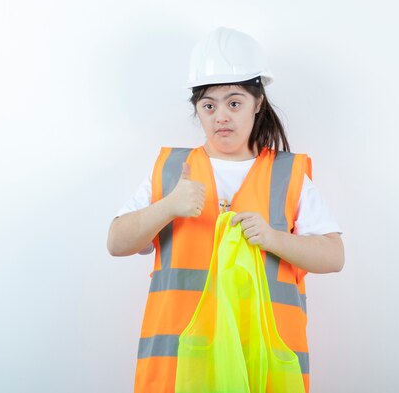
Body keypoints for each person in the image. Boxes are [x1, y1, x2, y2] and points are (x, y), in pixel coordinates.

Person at [107, 27, 344, 393]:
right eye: (209, 105)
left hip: (262, 367)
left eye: (234, 103)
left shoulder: (288, 174)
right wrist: (169, 206)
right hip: (181, 367)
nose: (221, 117)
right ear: (197, 109)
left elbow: (334, 256)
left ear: (257, 103)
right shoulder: (171, 171)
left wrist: (273, 238)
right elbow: (116, 242)